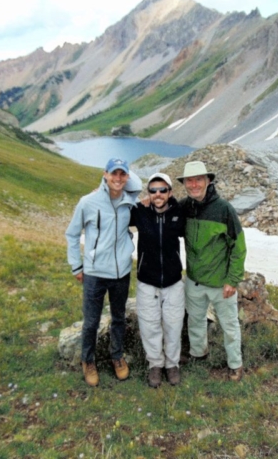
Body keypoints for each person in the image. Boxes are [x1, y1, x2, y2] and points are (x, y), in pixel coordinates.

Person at [65, 158, 142, 387]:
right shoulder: (88, 202)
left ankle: (117, 356)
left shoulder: (130, 202)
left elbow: (137, 184)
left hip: (121, 273)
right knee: (91, 322)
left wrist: (126, 173)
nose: (118, 178)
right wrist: (76, 265)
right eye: (113, 174)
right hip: (95, 273)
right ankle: (88, 361)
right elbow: (71, 234)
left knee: (119, 318)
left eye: (122, 174)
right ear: (104, 174)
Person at [177, 161, 246, 382]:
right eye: (190, 180)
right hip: (194, 280)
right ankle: (198, 353)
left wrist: (232, 280)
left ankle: (235, 363)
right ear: (185, 184)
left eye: (199, 179)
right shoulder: (184, 207)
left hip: (220, 284)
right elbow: (161, 209)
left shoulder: (224, 209)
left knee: (229, 325)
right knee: (195, 320)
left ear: (208, 181)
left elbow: (238, 246)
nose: (194, 184)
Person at [130, 173, 186, 388]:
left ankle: (172, 365)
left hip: (173, 281)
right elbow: (117, 207)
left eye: (162, 190)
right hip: (147, 281)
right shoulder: (140, 212)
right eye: (153, 190)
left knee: (173, 325)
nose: (158, 194)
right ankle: (155, 364)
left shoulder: (179, 212)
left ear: (170, 192)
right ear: (148, 193)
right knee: (149, 325)